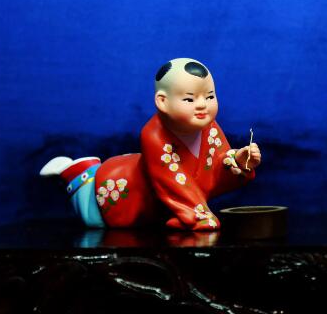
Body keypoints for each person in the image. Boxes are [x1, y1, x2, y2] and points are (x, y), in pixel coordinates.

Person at [41, 58, 261, 231]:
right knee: (93, 215)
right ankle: (76, 172)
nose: (203, 105)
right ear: (162, 102)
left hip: (159, 209)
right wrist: (199, 217)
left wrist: (239, 161)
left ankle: (87, 169)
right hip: (124, 190)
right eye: (189, 99)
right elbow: (172, 180)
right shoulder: (153, 134)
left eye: (210, 96)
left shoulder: (209, 127)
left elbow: (217, 168)